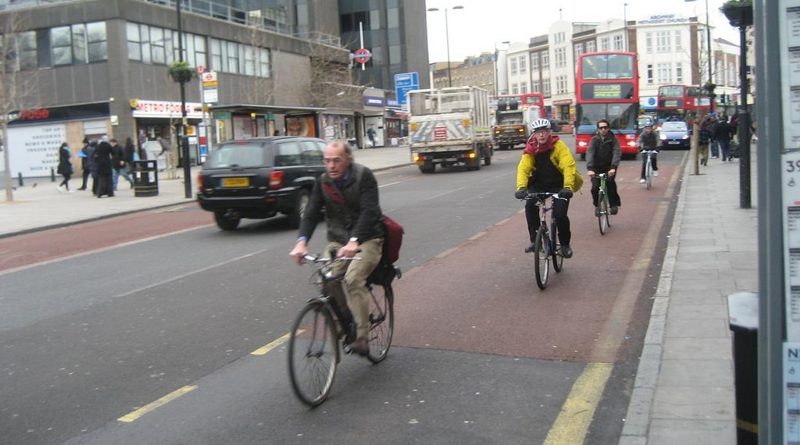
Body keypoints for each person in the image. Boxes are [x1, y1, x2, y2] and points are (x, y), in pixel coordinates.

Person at [289, 140, 385, 355]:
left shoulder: (363, 176)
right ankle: (344, 319)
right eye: (327, 161)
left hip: (368, 239)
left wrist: (355, 240)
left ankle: (362, 336)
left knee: (352, 279)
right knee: (326, 277)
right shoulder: (323, 181)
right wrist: (301, 242)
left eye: (336, 161)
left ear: (348, 159)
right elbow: (312, 213)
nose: (331, 166)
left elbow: (370, 211)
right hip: (338, 240)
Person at [514, 118, 577, 259]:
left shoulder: (558, 146)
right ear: (534, 135)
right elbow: (523, 168)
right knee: (530, 206)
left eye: (544, 132)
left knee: (560, 215)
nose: (541, 135)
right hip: (540, 183)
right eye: (538, 132)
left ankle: (565, 245)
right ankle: (535, 240)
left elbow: (568, 166)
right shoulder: (531, 148)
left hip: (560, 185)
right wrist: (521, 188)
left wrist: (567, 187)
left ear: (549, 133)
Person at [586, 119, 621, 215]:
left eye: (605, 127)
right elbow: (590, 153)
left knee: (610, 183)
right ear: (598, 129)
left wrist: (613, 167)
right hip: (596, 168)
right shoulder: (594, 140)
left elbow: (616, 153)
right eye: (601, 128)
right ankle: (597, 206)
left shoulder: (613, 140)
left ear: (608, 128)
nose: (603, 129)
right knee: (595, 188)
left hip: (609, 167)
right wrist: (590, 169)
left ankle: (613, 204)